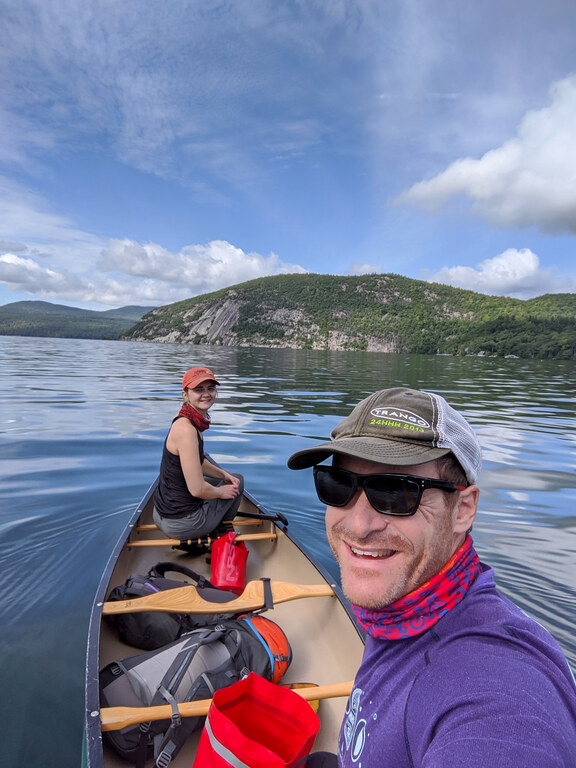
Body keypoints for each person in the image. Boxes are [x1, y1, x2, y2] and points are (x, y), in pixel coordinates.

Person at [287, 387, 576, 767]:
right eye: (337, 485)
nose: (358, 526)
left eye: (396, 493)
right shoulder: (401, 613)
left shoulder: (497, 690)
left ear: (464, 509)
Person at [153, 366, 244, 542]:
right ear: (185, 394)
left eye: (210, 388)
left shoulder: (183, 417)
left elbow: (198, 462)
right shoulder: (187, 431)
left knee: (224, 473)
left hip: (161, 514)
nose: (206, 394)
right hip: (183, 523)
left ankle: (211, 521)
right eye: (198, 389)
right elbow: (197, 489)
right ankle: (219, 534)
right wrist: (220, 492)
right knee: (237, 483)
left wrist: (223, 475)